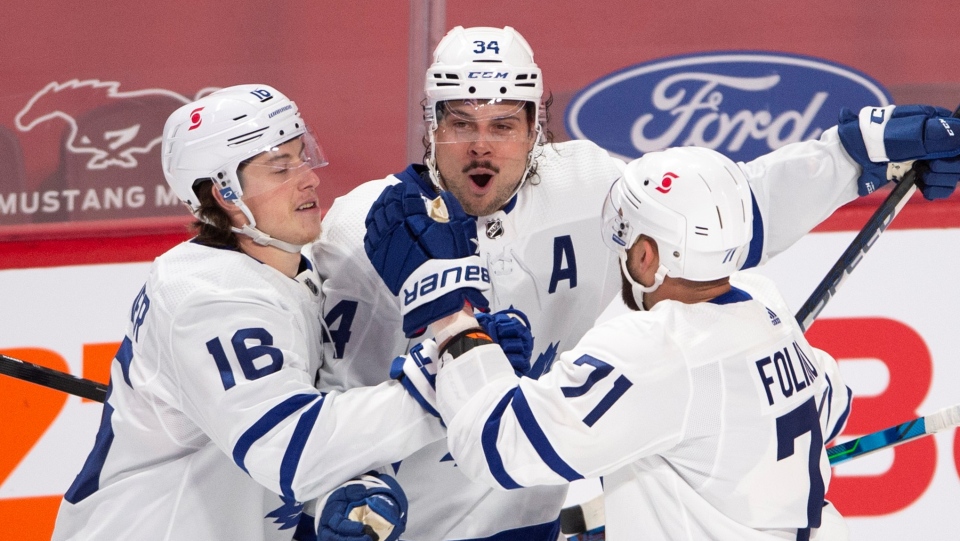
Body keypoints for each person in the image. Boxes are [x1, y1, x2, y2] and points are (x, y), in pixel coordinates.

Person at [313, 24, 960, 540]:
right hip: (410, 526)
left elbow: (724, 215)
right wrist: (339, 489)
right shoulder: (363, 228)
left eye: (503, 124)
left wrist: (851, 155)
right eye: (462, 123)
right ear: (431, 125)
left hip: (532, 513)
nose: (482, 146)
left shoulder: (589, 184)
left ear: (537, 126)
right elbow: (320, 394)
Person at [51, 84, 443, 541]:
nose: (309, 177)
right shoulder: (209, 300)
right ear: (223, 193)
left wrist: (343, 483)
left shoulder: (288, 271)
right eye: (281, 167)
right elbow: (289, 453)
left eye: (303, 155)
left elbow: (302, 425)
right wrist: (442, 385)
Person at [413, 146, 854, 540]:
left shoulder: (656, 352)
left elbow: (497, 444)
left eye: (625, 237)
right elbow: (833, 405)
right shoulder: (766, 306)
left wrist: (452, 319)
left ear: (647, 256)